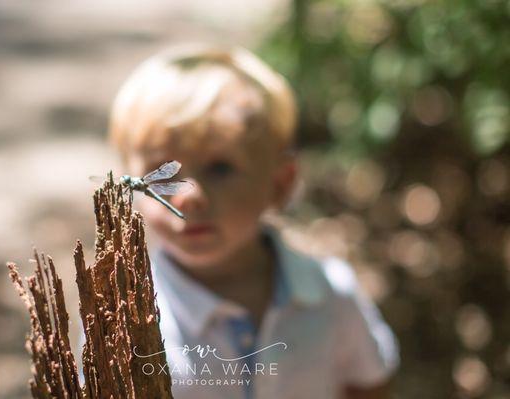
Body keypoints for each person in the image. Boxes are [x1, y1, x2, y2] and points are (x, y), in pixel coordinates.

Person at [108, 44, 399, 399]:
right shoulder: (120, 318)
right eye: (159, 174)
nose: (189, 196)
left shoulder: (330, 295)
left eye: (220, 168)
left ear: (280, 184)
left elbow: (370, 386)